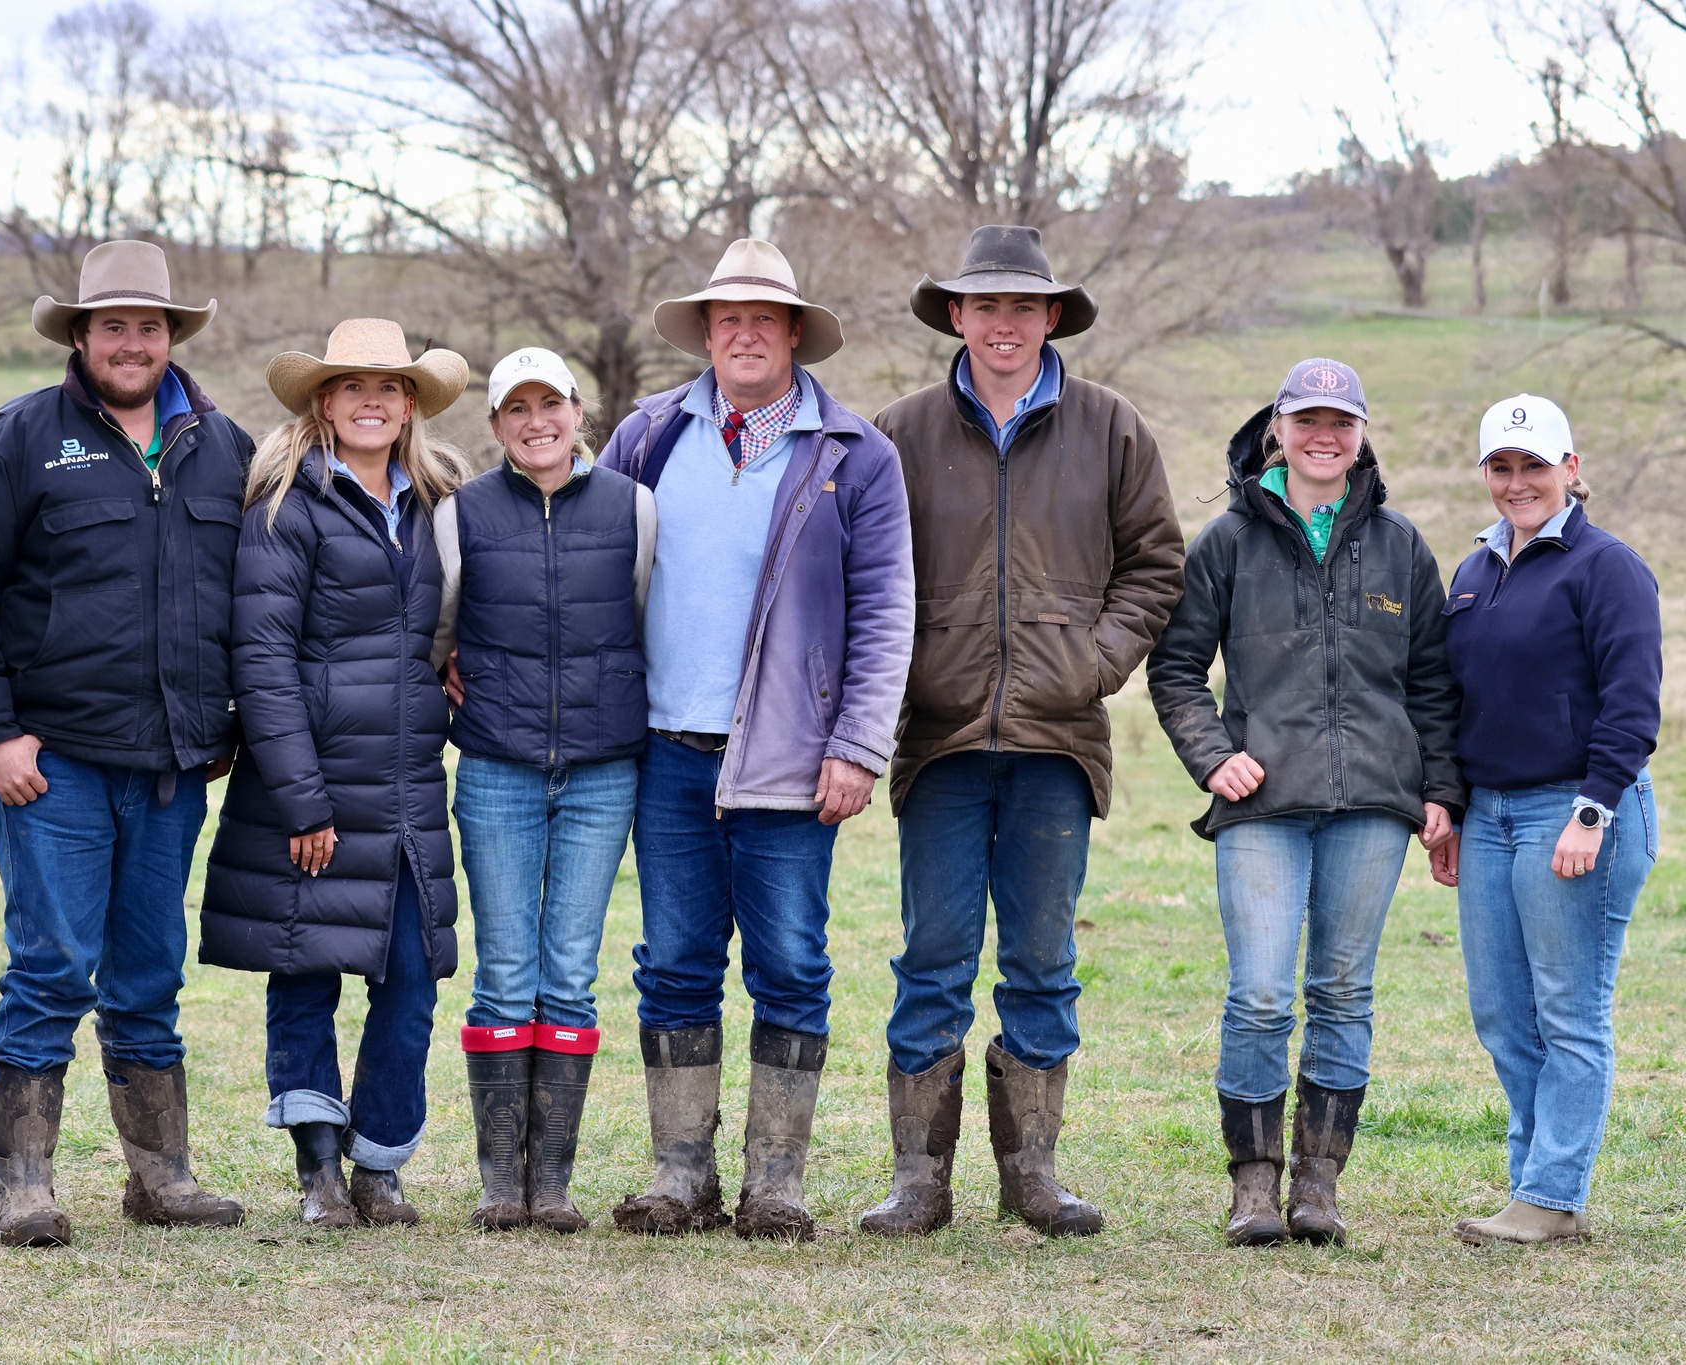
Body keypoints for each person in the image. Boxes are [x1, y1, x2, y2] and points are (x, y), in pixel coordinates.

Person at [862, 225, 1184, 1239]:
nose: (1002, 324)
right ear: (954, 316)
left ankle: (1031, 1181)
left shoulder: (1110, 427)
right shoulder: (897, 435)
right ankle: (919, 1182)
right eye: (982, 306)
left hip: (1056, 742)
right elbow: (860, 576)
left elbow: (1154, 565)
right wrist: (905, 677)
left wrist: (1090, 665)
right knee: (933, 955)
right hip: (941, 740)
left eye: (1021, 307)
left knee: (1041, 959)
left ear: (1050, 317)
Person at [596, 239, 915, 1241]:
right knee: (676, 961)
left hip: (790, 757)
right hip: (664, 747)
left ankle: (774, 1183)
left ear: (790, 333)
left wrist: (858, 745)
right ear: (704, 332)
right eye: (723, 317)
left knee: (787, 961)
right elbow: (585, 569)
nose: (741, 332)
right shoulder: (646, 435)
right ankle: (678, 1176)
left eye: (761, 318)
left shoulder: (853, 456)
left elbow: (885, 610)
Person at [0, 240, 250, 1245]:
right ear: (79, 336)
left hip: (171, 767)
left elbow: (249, 604)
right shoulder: (21, 440)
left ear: (172, 337)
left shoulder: (225, 446)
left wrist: (228, 720)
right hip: (57, 764)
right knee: (49, 966)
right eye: (113, 325)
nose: (133, 342)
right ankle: (24, 1185)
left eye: (150, 326)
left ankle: (159, 1177)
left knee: (150, 972)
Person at [1148, 358, 1464, 1247]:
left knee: (1342, 988)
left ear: (1362, 433)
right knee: (1257, 993)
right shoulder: (1227, 541)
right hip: (1263, 805)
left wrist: (1439, 788)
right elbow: (1175, 670)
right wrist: (1215, 757)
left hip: (1374, 804)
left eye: (1343, 421)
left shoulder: (1401, 545)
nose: (1325, 437)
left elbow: (1433, 682)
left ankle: (1318, 1187)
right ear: (1276, 429)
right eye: (1307, 420)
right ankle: (1253, 1188)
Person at [199, 319, 471, 1228]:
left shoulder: (438, 502)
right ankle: (318, 1170)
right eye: (351, 385)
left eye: (389, 387)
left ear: (409, 405)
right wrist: (301, 799)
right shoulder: (285, 504)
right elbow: (264, 659)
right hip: (311, 782)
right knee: (305, 967)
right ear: (323, 401)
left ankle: (380, 1163)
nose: (370, 400)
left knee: (410, 977)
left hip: (405, 788)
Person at [431, 347, 657, 1233]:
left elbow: (642, 614)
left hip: (604, 770)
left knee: (570, 971)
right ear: (494, 426)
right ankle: (499, 1182)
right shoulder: (463, 514)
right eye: (516, 409)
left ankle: (551, 1182)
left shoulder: (634, 509)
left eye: (550, 404)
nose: (536, 422)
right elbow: (438, 630)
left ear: (577, 413)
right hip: (496, 767)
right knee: (505, 971)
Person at [1436, 395, 1660, 1246]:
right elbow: (1459, 701)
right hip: (1489, 816)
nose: (1518, 482)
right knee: (1501, 1011)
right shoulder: (1473, 573)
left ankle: (1553, 1193)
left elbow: (1634, 704)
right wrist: (1453, 808)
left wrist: (1593, 810)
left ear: (1572, 468)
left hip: (1577, 811)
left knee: (1569, 1009)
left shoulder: (1608, 567)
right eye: (1503, 466)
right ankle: (1534, 1181)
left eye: (1536, 465)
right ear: (1486, 473)